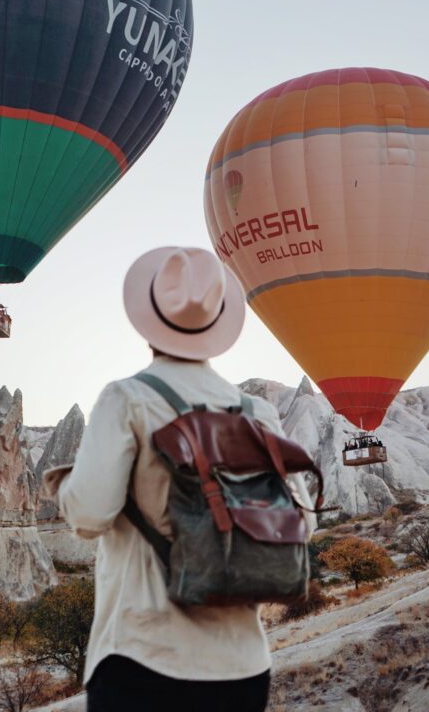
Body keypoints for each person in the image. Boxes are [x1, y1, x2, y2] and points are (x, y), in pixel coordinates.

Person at [44, 246, 316, 712]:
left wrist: (64, 484)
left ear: (147, 323)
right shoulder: (258, 414)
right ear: (216, 324)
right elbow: (303, 526)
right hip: (243, 667)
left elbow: (89, 515)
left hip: (144, 657)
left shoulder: (127, 399)